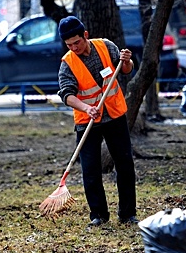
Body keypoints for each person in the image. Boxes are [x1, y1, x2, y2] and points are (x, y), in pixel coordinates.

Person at [57, 16, 138, 227]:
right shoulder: (67, 64)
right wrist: (86, 108)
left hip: (114, 115)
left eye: (77, 42)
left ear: (85, 35)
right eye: (69, 44)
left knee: (125, 164)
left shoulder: (106, 47)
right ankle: (98, 215)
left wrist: (127, 61)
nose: (74, 47)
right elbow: (66, 95)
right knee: (90, 170)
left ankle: (127, 213)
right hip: (87, 121)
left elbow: (126, 70)